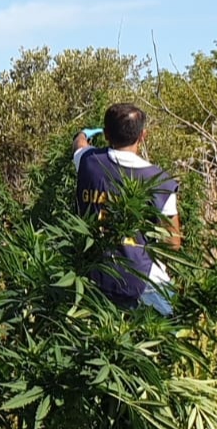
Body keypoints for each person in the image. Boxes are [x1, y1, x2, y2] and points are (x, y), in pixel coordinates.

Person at [73, 103, 181, 314]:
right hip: (142, 281)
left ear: (106, 134)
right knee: (170, 335)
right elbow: (172, 242)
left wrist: (85, 132)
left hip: (95, 277)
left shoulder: (89, 162)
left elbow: (79, 144)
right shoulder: (160, 181)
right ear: (143, 136)